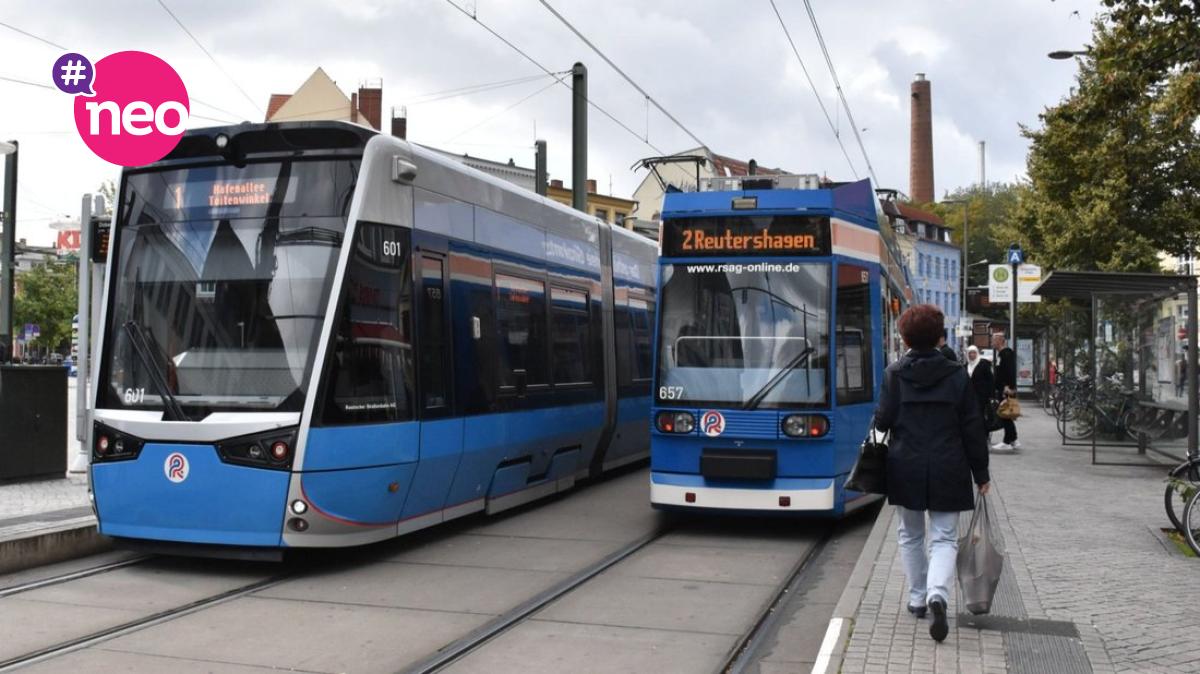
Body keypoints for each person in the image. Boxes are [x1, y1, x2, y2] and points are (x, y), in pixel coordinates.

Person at [874, 304, 990, 643]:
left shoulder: (894, 373)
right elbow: (972, 427)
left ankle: (917, 597)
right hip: (948, 465)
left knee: (910, 534)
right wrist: (981, 473)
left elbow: (882, 421)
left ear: (904, 337)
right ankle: (937, 594)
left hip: (905, 464)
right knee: (944, 538)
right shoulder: (957, 375)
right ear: (940, 336)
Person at [991, 333, 1019, 450]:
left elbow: (1010, 371)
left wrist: (1009, 386)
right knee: (1006, 414)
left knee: (1005, 414)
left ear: (999, 341)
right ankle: (1013, 439)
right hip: (1002, 388)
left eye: (993, 340)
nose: (992, 342)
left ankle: (1007, 441)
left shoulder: (1006, 353)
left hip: (1005, 389)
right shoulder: (1001, 354)